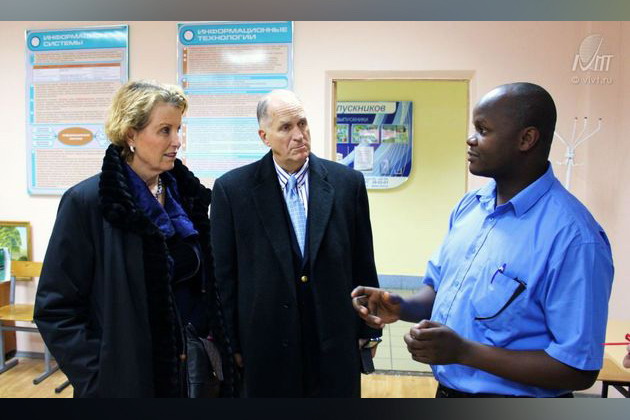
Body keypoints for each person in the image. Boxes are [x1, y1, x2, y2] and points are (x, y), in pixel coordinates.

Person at [352, 82, 614, 398]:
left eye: (483, 130)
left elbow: (578, 369)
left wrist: (465, 352)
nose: (471, 139)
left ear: (526, 139)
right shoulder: (471, 207)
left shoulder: (574, 239)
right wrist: (401, 307)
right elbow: (438, 291)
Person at [34, 80, 235, 397]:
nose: (177, 141)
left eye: (178, 129)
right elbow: (56, 309)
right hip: (128, 382)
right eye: (165, 130)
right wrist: (100, 379)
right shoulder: (89, 203)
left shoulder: (186, 198)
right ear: (131, 135)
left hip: (192, 375)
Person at [210, 89, 381, 397]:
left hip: (334, 343)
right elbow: (224, 278)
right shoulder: (233, 191)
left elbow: (362, 261)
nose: (299, 135)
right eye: (286, 128)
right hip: (265, 345)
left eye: (302, 124)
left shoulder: (346, 184)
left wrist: (369, 329)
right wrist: (231, 343)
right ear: (264, 136)